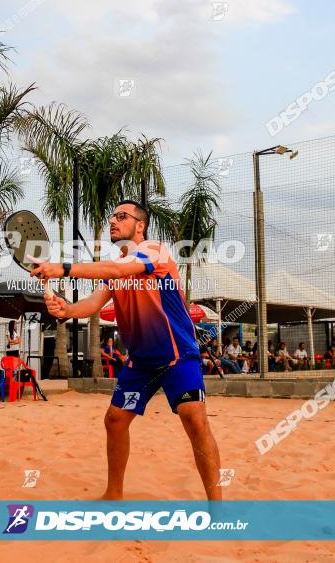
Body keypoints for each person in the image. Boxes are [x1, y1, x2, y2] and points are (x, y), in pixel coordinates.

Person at [32, 199, 222, 500]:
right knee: (115, 420)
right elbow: (93, 303)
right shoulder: (114, 268)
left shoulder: (154, 251)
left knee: (194, 418)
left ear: (140, 225)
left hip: (177, 355)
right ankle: (114, 494)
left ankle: (217, 507)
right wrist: (66, 310)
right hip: (141, 362)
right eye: (111, 217)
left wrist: (64, 268)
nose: (113, 221)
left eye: (122, 216)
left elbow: (118, 270)